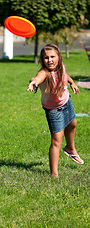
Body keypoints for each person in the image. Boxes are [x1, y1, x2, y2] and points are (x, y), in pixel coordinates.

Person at [27, 44, 84, 177]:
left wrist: (72, 83)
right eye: (46, 58)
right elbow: (38, 78)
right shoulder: (45, 73)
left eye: (53, 56)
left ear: (59, 57)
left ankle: (70, 148)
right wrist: (33, 82)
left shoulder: (61, 67)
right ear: (42, 60)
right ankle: (54, 174)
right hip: (54, 110)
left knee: (73, 124)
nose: (50, 60)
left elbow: (65, 75)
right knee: (56, 140)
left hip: (66, 101)